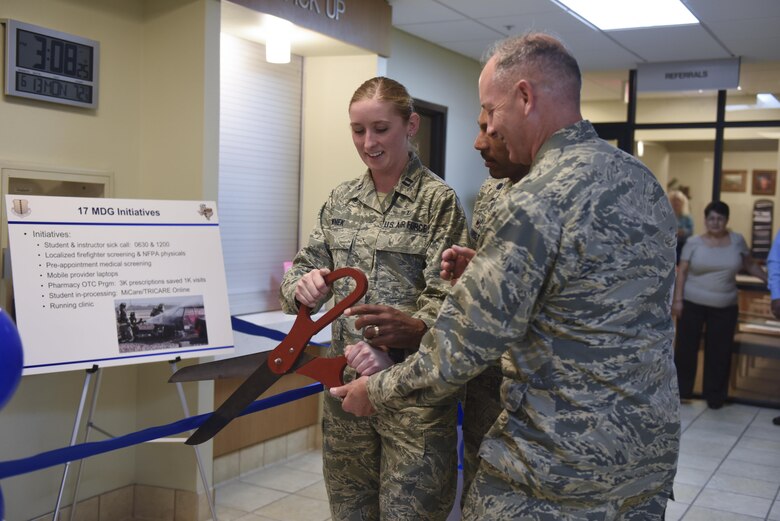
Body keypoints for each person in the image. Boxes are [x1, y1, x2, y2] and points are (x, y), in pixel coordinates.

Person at [332, 33, 680, 520]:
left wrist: (378, 391)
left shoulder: (537, 197)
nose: (486, 130)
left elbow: (462, 344)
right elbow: (604, 300)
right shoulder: (639, 180)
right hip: (643, 457)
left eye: (490, 112)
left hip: (556, 469)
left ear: (524, 96)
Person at [280, 76, 469, 520]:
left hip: (412, 399)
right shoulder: (340, 200)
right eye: (358, 130)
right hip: (345, 394)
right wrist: (304, 287)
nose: (369, 142)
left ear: (411, 126)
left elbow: (449, 300)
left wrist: (397, 348)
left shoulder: (437, 202)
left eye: (381, 128)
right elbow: (302, 268)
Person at [440, 108, 529, 503]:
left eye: (489, 130)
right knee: (479, 482)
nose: (480, 142)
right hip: (487, 376)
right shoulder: (492, 191)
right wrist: (471, 265)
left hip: (537, 385)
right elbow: (493, 270)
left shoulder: (560, 193)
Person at [673, 200, 768, 409]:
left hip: (725, 305)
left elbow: (750, 265)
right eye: (711, 218)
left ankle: (715, 397)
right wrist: (677, 301)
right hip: (692, 303)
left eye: (720, 218)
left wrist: (772, 283)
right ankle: (682, 391)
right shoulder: (693, 243)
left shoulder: (737, 241)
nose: (715, 223)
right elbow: (682, 273)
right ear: (705, 220)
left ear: (727, 220)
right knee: (686, 350)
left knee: (720, 351)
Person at [668, 189, 693, 263]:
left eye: (678, 200)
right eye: (674, 200)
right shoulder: (666, 216)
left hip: (683, 245)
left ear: (682, 202)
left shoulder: (687, 217)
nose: (676, 203)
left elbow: (691, 231)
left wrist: (683, 232)